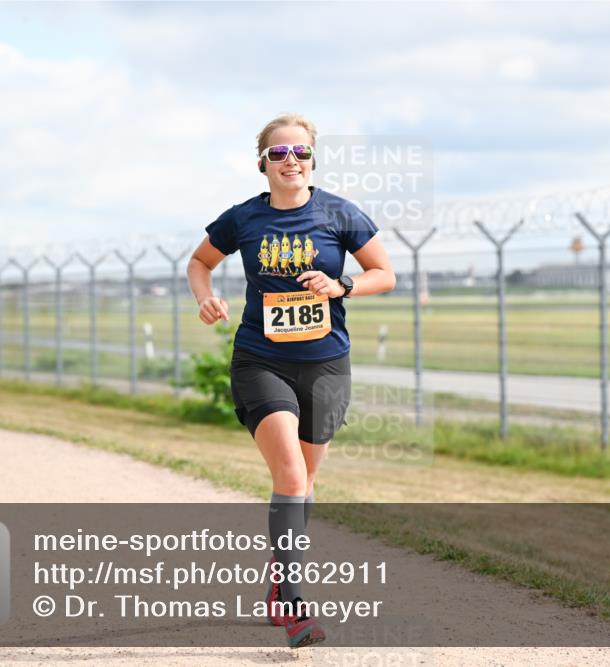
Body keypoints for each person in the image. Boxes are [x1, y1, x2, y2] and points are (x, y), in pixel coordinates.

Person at [186, 113, 396, 648]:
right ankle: (296, 602)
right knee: (291, 475)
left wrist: (340, 284)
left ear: (313, 159)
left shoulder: (338, 214)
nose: (290, 162)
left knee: (305, 482)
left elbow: (384, 274)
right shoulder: (244, 219)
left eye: (299, 153)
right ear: (263, 164)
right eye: (279, 154)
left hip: (326, 364)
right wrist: (205, 296)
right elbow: (199, 262)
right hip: (261, 361)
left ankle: (280, 579)